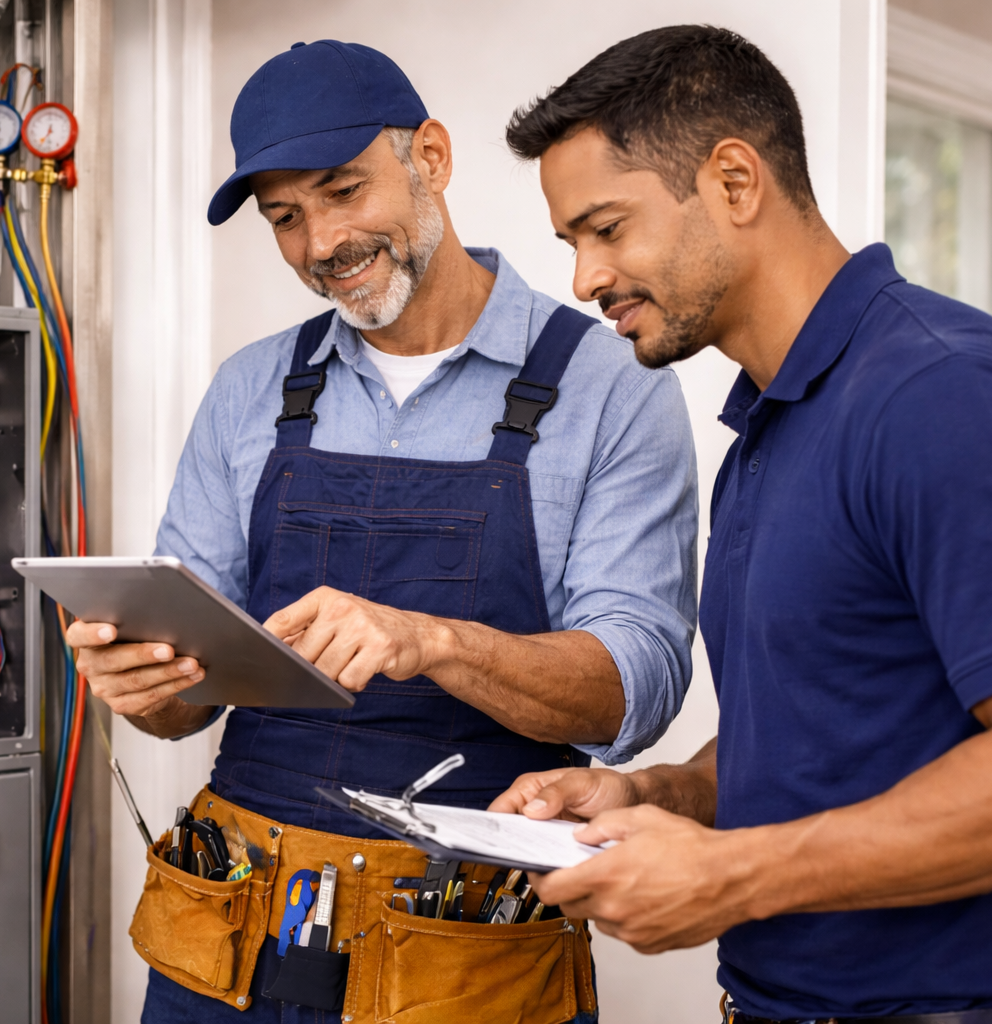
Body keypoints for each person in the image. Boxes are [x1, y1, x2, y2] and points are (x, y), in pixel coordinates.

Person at [68, 39, 697, 1024]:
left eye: (344, 191)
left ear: (432, 160)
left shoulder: (607, 386)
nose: (321, 243)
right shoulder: (250, 389)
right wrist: (143, 690)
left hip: (461, 950)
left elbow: (637, 686)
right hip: (231, 926)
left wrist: (432, 641)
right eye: (286, 218)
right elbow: (182, 701)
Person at [490, 24, 992, 1024]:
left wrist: (734, 875)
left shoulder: (942, 395)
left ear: (735, 182)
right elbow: (838, 735)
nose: (584, 278)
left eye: (607, 228)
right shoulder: (770, 422)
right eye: (571, 243)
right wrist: (658, 798)